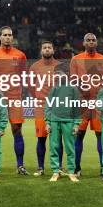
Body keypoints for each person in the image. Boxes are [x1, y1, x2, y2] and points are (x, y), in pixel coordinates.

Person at [0, 26, 28, 175]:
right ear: (0, 37)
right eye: (5, 35)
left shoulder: (20, 55)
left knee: (17, 130)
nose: (8, 37)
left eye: (10, 35)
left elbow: (23, 76)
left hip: (14, 98)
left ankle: (20, 165)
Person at [70, 33, 103, 177]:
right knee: (78, 135)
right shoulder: (76, 60)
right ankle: (76, 168)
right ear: (83, 43)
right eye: (88, 40)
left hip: (99, 104)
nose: (91, 42)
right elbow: (73, 82)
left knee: (101, 136)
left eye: (93, 40)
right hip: (82, 104)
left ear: (96, 43)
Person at [28, 40, 63, 176]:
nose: (47, 49)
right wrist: (39, 96)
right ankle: (40, 168)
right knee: (41, 138)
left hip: (57, 107)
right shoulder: (34, 67)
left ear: (53, 50)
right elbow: (31, 87)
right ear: (41, 51)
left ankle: (59, 167)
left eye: (49, 47)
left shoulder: (60, 66)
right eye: (45, 48)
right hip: (41, 106)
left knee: (58, 139)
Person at [45, 63, 81, 182]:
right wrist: (48, 122)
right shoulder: (54, 89)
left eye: (59, 73)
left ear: (66, 74)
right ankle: (56, 171)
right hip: (55, 122)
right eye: (56, 74)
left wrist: (76, 124)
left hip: (69, 122)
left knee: (70, 148)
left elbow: (77, 107)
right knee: (54, 147)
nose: (57, 76)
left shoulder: (73, 89)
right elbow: (48, 106)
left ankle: (71, 172)